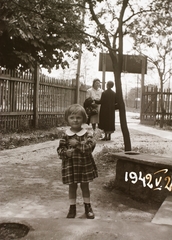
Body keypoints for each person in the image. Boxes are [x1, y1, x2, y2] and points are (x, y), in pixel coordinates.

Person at [57, 104, 98, 219]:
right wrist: (65, 153)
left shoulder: (87, 134)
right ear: (67, 119)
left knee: (85, 186)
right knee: (72, 187)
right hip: (70, 165)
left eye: (78, 117)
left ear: (83, 119)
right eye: (72, 117)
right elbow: (60, 149)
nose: (75, 120)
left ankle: (88, 207)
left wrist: (78, 144)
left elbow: (89, 148)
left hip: (84, 165)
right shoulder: (65, 135)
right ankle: (72, 208)